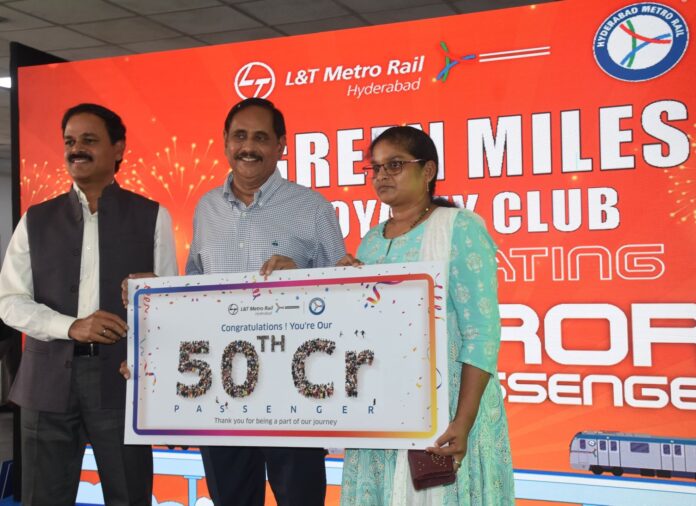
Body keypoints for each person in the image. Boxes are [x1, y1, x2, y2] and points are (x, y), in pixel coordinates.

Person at [0, 103, 178, 506]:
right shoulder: (36, 219)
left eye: (89, 140)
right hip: (45, 382)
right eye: (70, 141)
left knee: (130, 495)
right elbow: (9, 301)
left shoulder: (152, 216)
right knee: (41, 498)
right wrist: (71, 326)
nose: (76, 149)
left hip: (121, 382)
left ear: (118, 149)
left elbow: (168, 307)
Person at [338, 126, 514, 505]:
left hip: (447, 412)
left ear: (429, 170)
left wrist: (462, 422)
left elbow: (482, 334)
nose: (382, 175)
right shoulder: (370, 240)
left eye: (395, 165)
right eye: (376, 168)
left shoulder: (459, 228)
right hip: (381, 412)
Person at [186, 98, 346, 505]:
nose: (248, 146)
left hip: (292, 387)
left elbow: (344, 294)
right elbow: (192, 290)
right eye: (240, 136)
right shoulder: (206, 208)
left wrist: (303, 278)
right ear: (225, 142)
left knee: (300, 499)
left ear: (281, 145)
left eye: (261, 137)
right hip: (220, 390)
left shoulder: (312, 208)